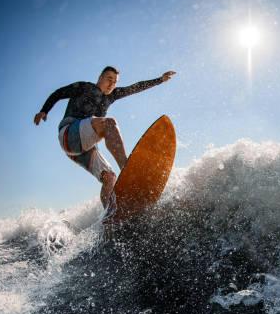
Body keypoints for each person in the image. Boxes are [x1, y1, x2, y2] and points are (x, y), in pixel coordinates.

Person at [34, 67, 176, 219]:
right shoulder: (84, 87)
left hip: (83, 149)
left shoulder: (112, 96)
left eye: (114, 82)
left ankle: (111, 217)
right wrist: (44, 110)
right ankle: (127, 168)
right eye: (109, 79)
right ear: (100, 77)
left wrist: (160, 80)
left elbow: (135, 87)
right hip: (69, 134)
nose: (111, 84)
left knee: (109, 177)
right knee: (109, 123)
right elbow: (58, 93)